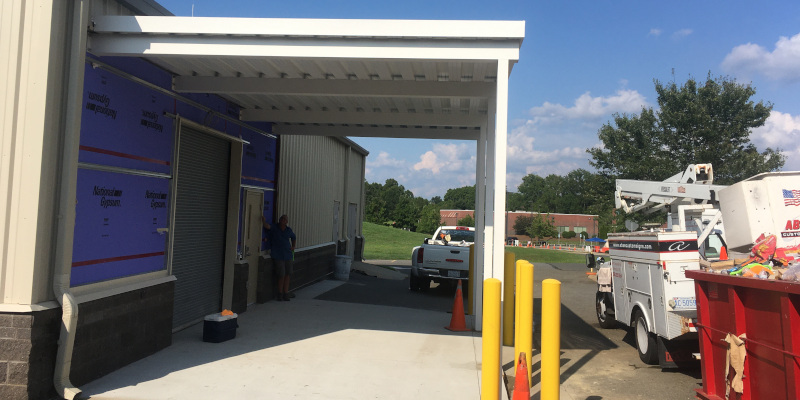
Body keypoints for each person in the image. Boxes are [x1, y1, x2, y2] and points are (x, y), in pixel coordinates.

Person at [262, 214, 296, 301]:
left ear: (287, 222)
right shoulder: (275, 227)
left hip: (288, 254)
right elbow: (267, 226)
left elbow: (293, 237)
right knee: (281, 274)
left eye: (285, 219)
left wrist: (293, 246)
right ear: (280, 220)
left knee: (288, 274)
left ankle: (286, 293)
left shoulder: (288, 230)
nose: (283, 220)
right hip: (278, 255)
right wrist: (263, 220)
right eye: (282, 219)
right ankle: (280, 293)